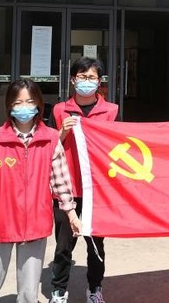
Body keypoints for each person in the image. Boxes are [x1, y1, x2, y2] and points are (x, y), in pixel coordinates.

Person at [0, 78, 81, 303]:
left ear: (39, 105)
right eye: (18, 103)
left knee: (30, 293)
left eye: (30, 102)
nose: (24, 108)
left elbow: (61, 181)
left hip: (36, 224)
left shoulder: (51, 139)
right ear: (9, 106)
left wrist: (72, 215)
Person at [48, 57, 119, 303]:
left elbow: (121, 146)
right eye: (81, 77)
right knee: (63, 246)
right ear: (72, 80)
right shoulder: (59, 110)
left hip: (97, 189)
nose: (86, 81)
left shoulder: (111, 111)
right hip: (66, 188)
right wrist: (62, 132)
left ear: (99, 82)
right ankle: (58, 291)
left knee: (96, 245)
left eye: (91, 77)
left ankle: (95, 289)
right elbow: (47, 148)